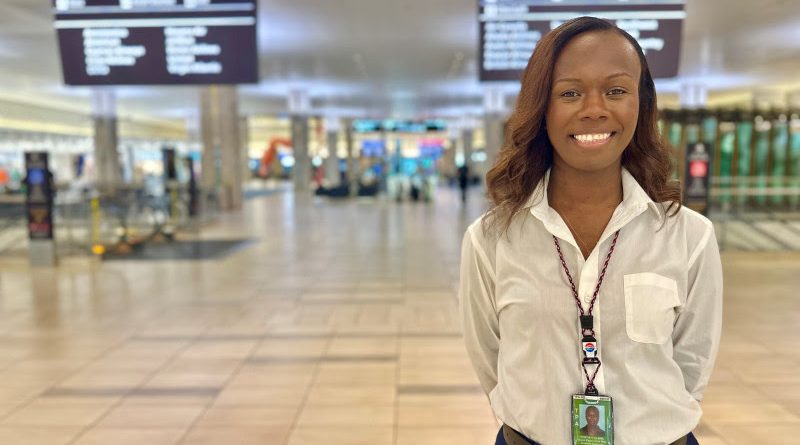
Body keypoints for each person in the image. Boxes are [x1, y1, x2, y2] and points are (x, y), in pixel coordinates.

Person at [458, 17, 721, 445]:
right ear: (541, 107)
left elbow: (691, 366)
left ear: (641, 103)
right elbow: (490, 360)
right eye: (570, 92)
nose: (594, 108)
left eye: (616, 90)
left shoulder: (688, 236)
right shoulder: (491, 239)